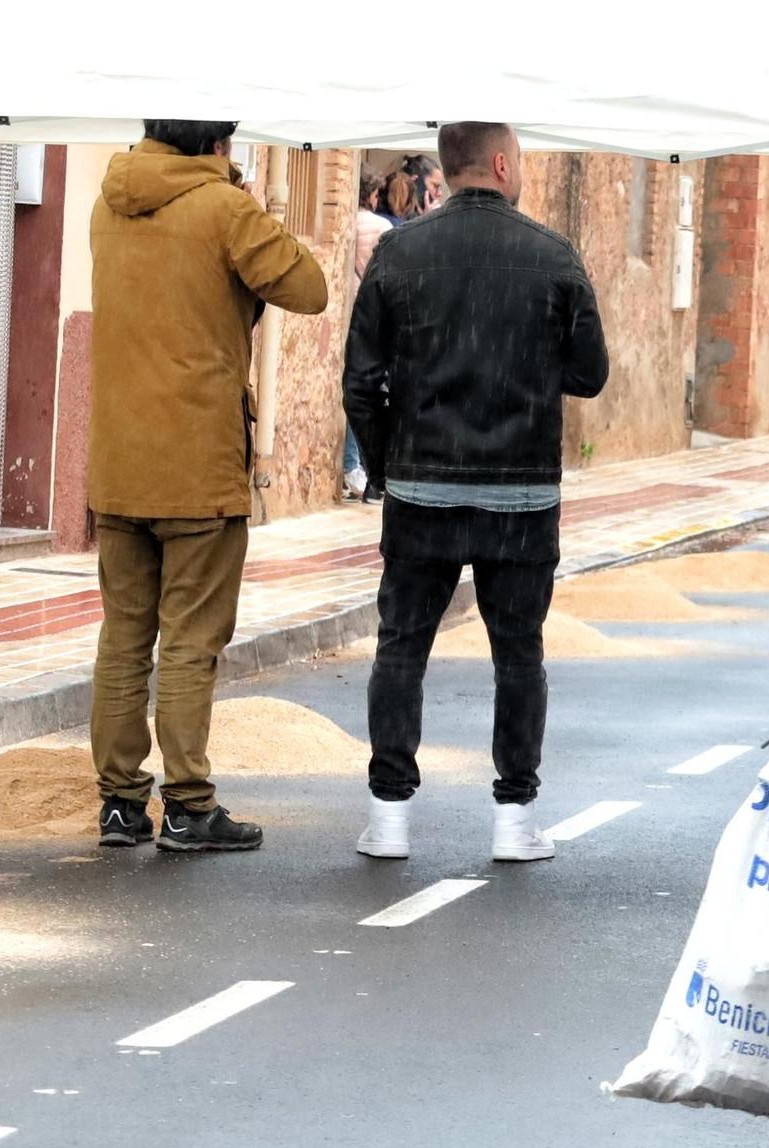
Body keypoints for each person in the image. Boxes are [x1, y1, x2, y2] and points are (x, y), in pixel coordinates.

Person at [344, 122, 609, 862]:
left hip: (421, 488)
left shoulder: (399, 252)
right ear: (501, 162)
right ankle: (513, 821)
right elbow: (589, 373)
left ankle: (390, 817)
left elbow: (360, 381)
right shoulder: (552, 257)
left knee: (402, 648)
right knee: (518, 654)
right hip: (521, 498)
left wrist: (386, 464)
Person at [86, 120, 328, 851]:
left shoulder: (107, 203)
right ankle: (189, 805)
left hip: (119, 464)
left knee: (124, 635)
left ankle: (121, 805)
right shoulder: (224, 210)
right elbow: (308, 287)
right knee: (190, 640)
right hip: (197, 466)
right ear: (218, 147)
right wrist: (242, 201)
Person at [344, 170, 392, 500]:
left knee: (356, 388)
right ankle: (360, 466)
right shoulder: (382, 228)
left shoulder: (351, 225)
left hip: (348, 306)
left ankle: (352, 465)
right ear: (373, 194)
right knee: (374, 388)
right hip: (373, 316)